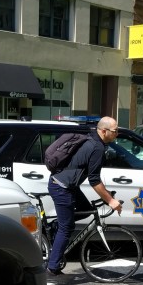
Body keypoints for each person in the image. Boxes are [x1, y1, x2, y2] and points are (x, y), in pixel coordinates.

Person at [46, 116, 123, 276]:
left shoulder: (93, 139)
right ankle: (52, 266)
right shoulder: (97, 148)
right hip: (62, 187)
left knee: (86, 210)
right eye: (115, 131)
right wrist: (110, 200)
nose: (117, 133)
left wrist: (107, 196)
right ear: (104, 131)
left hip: (69, 186)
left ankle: (57, 226)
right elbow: (94, 180)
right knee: (67, 227)